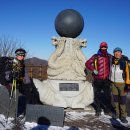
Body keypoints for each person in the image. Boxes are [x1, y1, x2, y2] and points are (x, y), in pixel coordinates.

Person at [85, 42, 112, 116]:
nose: (104, 48)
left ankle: (107, 109)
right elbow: (87, 63)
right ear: (100, 47)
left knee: (108, 96)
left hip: (106, 79)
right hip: (97, 79)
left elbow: (116, 61)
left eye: (105, 47)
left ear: (107, 48)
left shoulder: (109, 56)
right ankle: (98, 110)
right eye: (102, 47)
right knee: (97, 95)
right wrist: (93, 69)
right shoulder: (95, 56)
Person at [110, 47, 128, 123]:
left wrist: (128, 84)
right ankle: (117, 113)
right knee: (116, 100)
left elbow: (128, 73)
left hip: (122, 84)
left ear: (121, 53)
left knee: (123, 101)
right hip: (113, 83)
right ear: (114, 53)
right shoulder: (112, 61)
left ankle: (123, 116)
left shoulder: (125, 61)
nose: (117, 53)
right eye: (115, 52)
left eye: (119, 52)